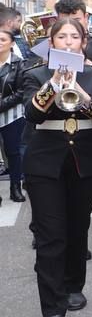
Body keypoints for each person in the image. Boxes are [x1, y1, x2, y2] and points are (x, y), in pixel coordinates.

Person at [24, 17, 92, 317]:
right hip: (44, 162)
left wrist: (78, 89)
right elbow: (33, 113)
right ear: (51, 44)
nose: (67, 42)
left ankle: (74, 284)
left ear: (83, 43)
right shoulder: (34, 74)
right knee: (51, 235)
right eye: (60, 37)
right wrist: (54, 84)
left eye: (73, 37)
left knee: (78, 227)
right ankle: (52, 309)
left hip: (85, 160)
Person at [0, 27, 26, 204]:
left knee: (13, 152)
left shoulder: (19, 64)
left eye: (2, 40)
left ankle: (15, 186)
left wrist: (2, 104)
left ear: (12, 43)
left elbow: (22, 91)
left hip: (12, 115)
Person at [51, 0, 92, 67]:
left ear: (86, 17)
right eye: (64, 21)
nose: (71, 25)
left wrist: (90, 64)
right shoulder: (46, 44)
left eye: (76, 20)